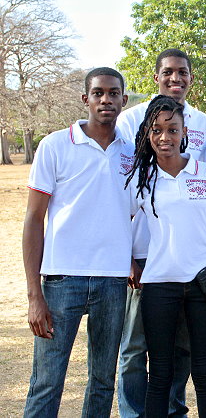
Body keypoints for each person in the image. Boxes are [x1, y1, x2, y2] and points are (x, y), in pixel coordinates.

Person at [116, 48, 206, 418]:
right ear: (156, 76)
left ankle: (177, 411)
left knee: (197, 364)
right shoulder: (134, 142)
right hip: (152, 271)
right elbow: (121, 218)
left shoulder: (205, 139)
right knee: (140, 354)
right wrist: (129, 261)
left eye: (183, 72)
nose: (165, 136)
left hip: (198, 274)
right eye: (168, 72)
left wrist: (199, 248)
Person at [23, 67, 133, 417]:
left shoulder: (133, 152)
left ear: (123, 100)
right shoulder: (55, 145)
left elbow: (137, 212)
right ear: (86, 98)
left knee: (102, 381)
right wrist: (34, 295)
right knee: (47, 381)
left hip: (113, 280)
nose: (106, 99)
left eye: (113, 93)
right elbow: (33, 219)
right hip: (62, 279)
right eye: (98, 93)